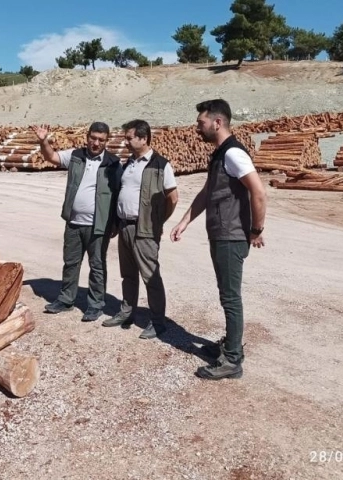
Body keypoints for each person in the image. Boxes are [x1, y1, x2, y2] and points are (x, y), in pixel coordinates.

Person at [170, 99, 267, 380]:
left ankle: (233, 360)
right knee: (227, 295)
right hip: (222, 234)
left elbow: (258, 193)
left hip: (230, 236)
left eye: (200, 123)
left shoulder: (234, 154)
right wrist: (185, 221)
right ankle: (231, 346)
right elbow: (206, 193)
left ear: (217, 122)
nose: (197, 127)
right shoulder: (220, 154)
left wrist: (256, 230)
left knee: (230, 297)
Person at [34, 122, 122, 322]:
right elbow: (51, 157)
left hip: (98, 225)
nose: (96, 143)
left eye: (101, 140)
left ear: (106, 141)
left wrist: (116, 223)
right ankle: (66, 300)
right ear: (87, 137)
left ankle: (96, 305)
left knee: (97, 266)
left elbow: (118, 194)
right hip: (73, 222)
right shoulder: (76, 156)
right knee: (71, 262)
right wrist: (43, 141)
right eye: (93, 138)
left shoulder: (114, 163)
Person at [102, 119, 178, 339]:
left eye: (129, 138)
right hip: (125, 226)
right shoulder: (129, 164)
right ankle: (127, 312)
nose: (125, 141)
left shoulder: (160, 165)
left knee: (150, 276)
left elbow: (172, 198)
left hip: (145, 229)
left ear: (143, 138)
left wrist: (157, 220)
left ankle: (158, 322)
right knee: (128, 275)